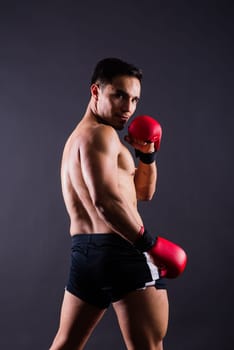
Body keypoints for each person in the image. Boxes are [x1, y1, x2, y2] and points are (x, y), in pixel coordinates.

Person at [49, 58, 186, 350]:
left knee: (65, 344)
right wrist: (149, 245)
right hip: (122, 249)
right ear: (96, 92)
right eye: (119, 95)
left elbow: (139, 194)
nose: (128, 107)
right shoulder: (102, 134)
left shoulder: (77, 139)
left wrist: (146, 157)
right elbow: (105, 202)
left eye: (135, 98)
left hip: (85, 255)